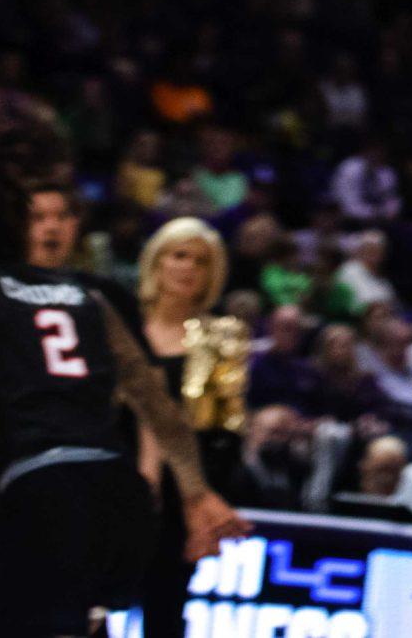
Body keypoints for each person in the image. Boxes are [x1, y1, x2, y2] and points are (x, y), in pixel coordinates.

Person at [0, 128, 247, 638]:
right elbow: (158, 404)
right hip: (114, 492)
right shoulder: (87, 297)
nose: (48, 228)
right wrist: (197, 495)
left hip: (35, 485)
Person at [136, 216, 248, 638]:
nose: (188, 268)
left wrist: (201, 501)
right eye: (179, 255)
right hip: (111, 482)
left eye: (200, 261)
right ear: (157, 261)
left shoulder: (223, 336)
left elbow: (228, 431)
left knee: (165, 611)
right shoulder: (119, 325)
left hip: (183, 493)